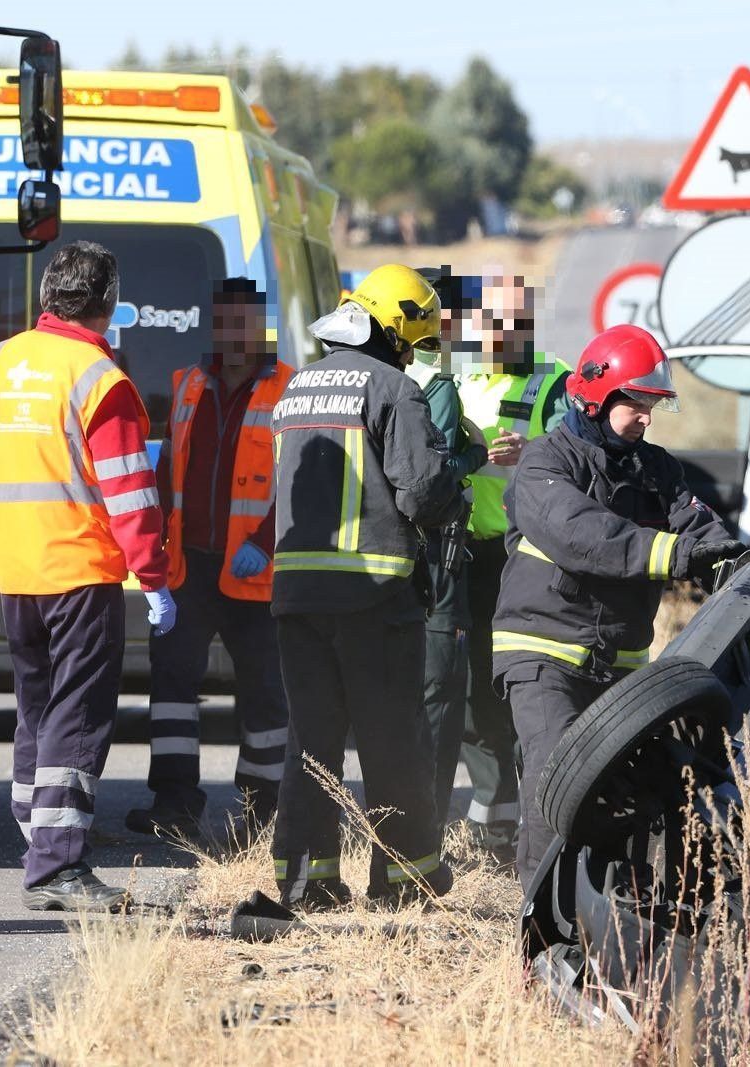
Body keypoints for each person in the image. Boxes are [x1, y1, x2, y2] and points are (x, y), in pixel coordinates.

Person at [0, 241, 173, 911]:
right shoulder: (100, 378)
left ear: (47, 297)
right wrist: (155, 577)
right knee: (78, 713)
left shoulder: (0, 361)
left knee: (37, 712)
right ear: (109, 302)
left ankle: (42, 843)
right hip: (82, 571)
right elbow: (128, 492)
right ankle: (57, 865)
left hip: (20, 572)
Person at [493, 324, 744, 883]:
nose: (648, 417)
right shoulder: (545, 465)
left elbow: (698, 527)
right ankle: (537, 936)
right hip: (542, 652)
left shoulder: (657, 469)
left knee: (634, 787)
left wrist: (733, 560)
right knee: (557, 774)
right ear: (597, 395)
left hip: (620, 663)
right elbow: (588, 537)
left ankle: (610, 914)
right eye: (638, 403)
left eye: (654, 405)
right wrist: (679, 555)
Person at [268, 264, 464, 908]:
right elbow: (423, 492)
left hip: (296, 595)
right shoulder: (393, 389)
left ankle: (306, 878)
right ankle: (407, 880)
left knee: (312, 738)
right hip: (372, 594)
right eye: (413, 339)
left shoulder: (298, 386)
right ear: (396, 328)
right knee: (391, 737)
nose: (412, 352)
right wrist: (455, 484)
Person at [125, 278, 292, 840]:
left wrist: (264, 542)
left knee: (265, 693)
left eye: (246, 322)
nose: (236, 333)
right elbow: (169, 467)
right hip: (190, 566)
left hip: (256, 572)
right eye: (226, 322)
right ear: (215, 325)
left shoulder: (289, 390)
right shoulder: (190, 384)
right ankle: (173, 804)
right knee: (171, 685)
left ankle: (260, 814)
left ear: (262, 325)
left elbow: (301, 480)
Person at [454, 274, 570, 860]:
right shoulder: (462, 379)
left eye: (514, 322)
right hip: (466, 556)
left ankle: (538, 821)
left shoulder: (556, 379)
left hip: (526, 558)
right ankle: (492, 824)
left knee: (526, 686)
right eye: (492, 321)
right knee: (475, 687)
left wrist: (535, 455)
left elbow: (586, 454)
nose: (501, 333)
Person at [405, 267, 490, 833]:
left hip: (365, 567)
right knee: (437, 702)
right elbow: (428, 486)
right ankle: (421, 836)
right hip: (433, 568)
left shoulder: (342, 373)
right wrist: (473, 457)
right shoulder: (433, 384)